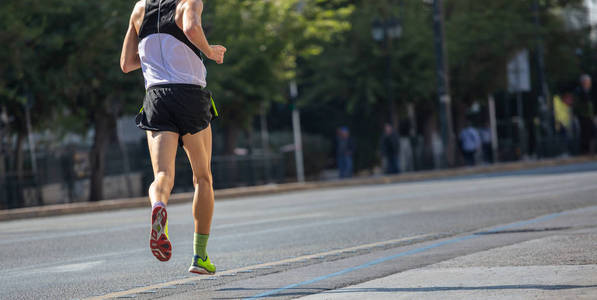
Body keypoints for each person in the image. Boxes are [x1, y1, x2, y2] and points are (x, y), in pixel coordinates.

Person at [120, 0, 226, 275]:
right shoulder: (188, 2)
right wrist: (211, 51)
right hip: (190, 94)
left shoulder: (140, 8)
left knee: (162, 175)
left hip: (156, 97)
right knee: (202, 177)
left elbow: (127, 64)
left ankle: (158, 206)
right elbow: (191, 28)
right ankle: (200, 256)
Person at [574, 74, 596, 154]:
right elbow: (578, 105)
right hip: (583, 116)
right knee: (586, 133)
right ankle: (586, 151)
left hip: (589, 115)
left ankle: (591, 151)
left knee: (592, 133)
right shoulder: (579, 91)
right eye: (587, 82)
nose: (589, 84)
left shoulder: (589, 92)